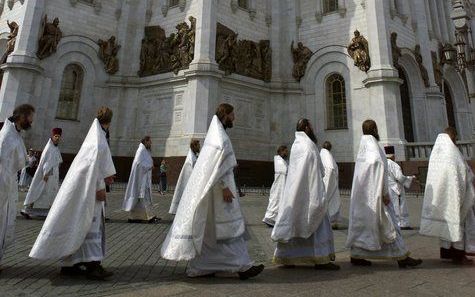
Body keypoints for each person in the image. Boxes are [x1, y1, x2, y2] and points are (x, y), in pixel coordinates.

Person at [161, 103, 264, 280]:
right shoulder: (218, 138)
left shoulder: (216, 134)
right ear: (225, 115)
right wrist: (224, 187)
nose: (234, 118)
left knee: (210, 231)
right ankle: (242, 266)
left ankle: (203, 266)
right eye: (232, 115)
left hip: (213, 192)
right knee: (228, 230)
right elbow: (217, 167)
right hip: (219, 193)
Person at [30, 107, 116, 280]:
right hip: (92, 193)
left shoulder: (93, 138)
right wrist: (100, 187)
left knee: (78, 223)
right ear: (108, 122)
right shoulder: (98, 141)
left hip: (84, 191)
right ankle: (93, 265)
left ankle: (70, 264)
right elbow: (95, 167)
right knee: (92, 227)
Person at [346, 119, 422, 268]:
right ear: (374, 129)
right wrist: (384, 192)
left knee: (363, 226)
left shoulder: (363, 147)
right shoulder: (374, 148)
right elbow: (377, 170)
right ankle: (401, 256)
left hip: (362, 197)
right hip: (377, 196)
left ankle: (357, 254)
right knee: (390, 225)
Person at [271, 119, 339, 270]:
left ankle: (287, 257)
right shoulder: (309, 146)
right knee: (315, 220)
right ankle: (320, 258)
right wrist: (318, 194)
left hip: (294, 191)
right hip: (309, 191)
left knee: (294, 221)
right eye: (312, 127)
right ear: (307, 128)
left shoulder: (297, 145)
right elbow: (315, 170)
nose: (313, 129)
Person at [420, 127, 475, 265]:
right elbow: (462, 173)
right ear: (452, 138)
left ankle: (447, 252)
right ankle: (458, 254)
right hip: (455, 196)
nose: (456, 142)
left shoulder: (437, 153)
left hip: (442, 196)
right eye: (455, 139)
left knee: (447, 223)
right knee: (458, 223)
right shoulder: (452, 153)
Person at [0, 104, 35, 269]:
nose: (31, 121)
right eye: (30, 117)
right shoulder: (7, 135)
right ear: (22, 117)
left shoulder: (15, 133)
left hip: (8, 182)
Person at [21, 128, 63, 219]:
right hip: (47, 175)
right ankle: (28, 209)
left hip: (53, 176)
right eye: (56, 136)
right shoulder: (49, 148)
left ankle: (47, 212)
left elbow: (58, 160)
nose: (57, 138)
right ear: (52, 136)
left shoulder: (55, 148)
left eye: (59, 137)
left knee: (49, 193)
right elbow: (46, 162)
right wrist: (46, 173)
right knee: (39, 190)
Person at [123, 136, 159, 223]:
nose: (151, 143)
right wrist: (149, 166)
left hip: (144, 178)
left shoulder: (145, 151)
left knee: (145, 198)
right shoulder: (141, 151)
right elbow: (139, 164)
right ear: (146, 141)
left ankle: (147, 216)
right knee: (141, 197)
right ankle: (140, 217)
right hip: (141, 179)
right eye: (150, 141)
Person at [384, 145, 416, 230]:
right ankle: (402, 223)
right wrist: (410, 178)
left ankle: (393, 222)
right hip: (396, 189)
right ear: (393, 155)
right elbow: (399, 177)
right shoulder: (394, 165)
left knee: (391, 206)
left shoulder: (383, 163)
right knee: (399, 205)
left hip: (387, 188)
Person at [169, 139, 200, 215]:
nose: (200, 147)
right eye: (198, 145)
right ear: (194, 146)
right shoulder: (191, 159)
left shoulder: (193, 156)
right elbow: (190, 175)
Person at [262, 145, 288, 227]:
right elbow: (284, 170)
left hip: (282, 185)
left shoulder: (283, 160)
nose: (287, 153)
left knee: (279, 202)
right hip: (278, 186)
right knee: (275, 202)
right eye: (286, 151)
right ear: (281, 151)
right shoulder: (278, 160)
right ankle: (269, 218)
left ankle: (274, 220)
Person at [320, 141, 342, 229]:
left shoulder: (324, 154)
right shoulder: (326, 155)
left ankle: (331, 221)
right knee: (332, 203)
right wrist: (329, 184)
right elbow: (330, 169)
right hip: (330, 184)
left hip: (328, 183)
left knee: (332, 203)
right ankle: (330, 221)